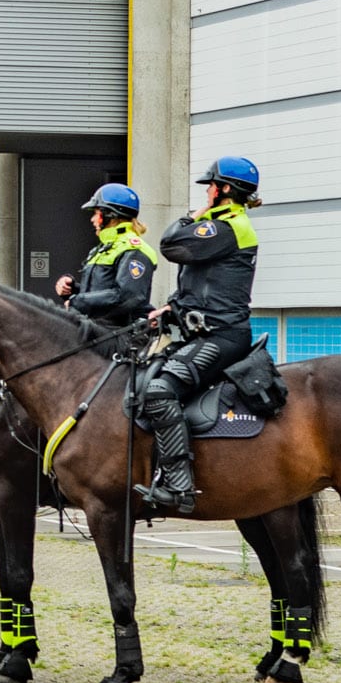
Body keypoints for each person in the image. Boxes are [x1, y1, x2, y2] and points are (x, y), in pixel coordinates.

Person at [136, 157, 264, 515]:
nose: (206, 191)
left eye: (211, 186)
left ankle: (179, 486)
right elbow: (202, 285)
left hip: (221, 337)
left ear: (223, 190)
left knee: (161, 391)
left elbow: (171, 245)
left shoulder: (226, 228)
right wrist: (171, 308)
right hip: (201, 334)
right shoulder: (222, 227)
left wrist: (195, 214)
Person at [54, 183, 159, 328]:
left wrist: (78, 302)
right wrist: (72, 289)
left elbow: (127, 297)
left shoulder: (134, 249)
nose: (92, 220)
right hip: (94, 328)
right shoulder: (103, 248)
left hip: (120, 334)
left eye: (96, 213)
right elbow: (102, 292)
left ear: (111, 215)